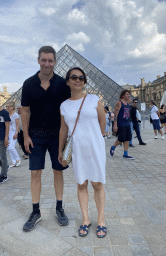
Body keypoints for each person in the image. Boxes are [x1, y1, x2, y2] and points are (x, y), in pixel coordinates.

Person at [21, 46, 71, 232]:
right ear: (38, 60)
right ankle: (36, 211)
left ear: (55, 62)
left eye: (50, 60)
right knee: (35, 173)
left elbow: (68, 111)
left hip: (57, 135)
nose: (47, 63)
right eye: (44, 60)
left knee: (58, 171)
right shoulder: (28, 83)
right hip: (35, 135)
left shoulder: (62, 84)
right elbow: (25, 111)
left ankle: (59, 207)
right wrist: (25, 136)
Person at [59, 67, 107, 238]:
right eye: (74, 77)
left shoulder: (94, 99)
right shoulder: (64, 105)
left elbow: (102, 122)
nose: (78, 80)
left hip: (95, 148)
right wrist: (60, 150)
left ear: (84, 81)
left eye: (81, 77)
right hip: (78, 151)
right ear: (68, 81)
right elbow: (63, 130)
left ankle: (101, 220)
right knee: (81, 184)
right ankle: (85, 219)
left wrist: (95, 139)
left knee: (97, 184)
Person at [110, 90, 134, 159]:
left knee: (127, 138)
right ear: (123, 95)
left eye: (129, 94)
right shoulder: (119, 103)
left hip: (127, 123)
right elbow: (115, 115)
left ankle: (125, 154)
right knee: (121, 139)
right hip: (121, 124)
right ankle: (113, 147)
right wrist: (115, 125)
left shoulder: (127, 102)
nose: (128, 96)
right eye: (127, 94)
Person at [6, 102, 21, 168]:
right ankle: (13, 161)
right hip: (8, 133)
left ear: (12, 107)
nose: (7, 108)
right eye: (6, 106)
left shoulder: (15, 115)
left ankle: (17, 159)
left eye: (8, 106)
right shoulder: (7, 114)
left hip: (13, 132)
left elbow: (18, 124)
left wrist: (16, 133)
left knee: (11, 147)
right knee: (8, 148)